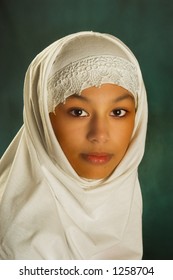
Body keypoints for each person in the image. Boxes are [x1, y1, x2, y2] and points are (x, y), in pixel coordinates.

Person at [0, 31, 148, 260]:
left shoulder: (124, 199)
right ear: (41, 117)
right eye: (79, 112)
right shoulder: (12, 239)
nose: (100, 135)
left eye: (118, 112)